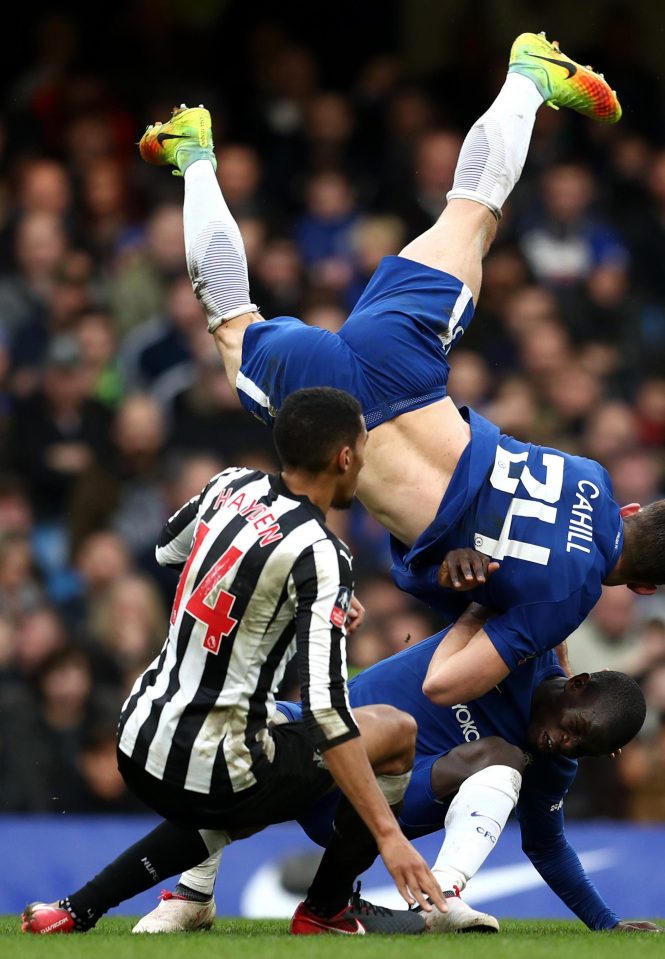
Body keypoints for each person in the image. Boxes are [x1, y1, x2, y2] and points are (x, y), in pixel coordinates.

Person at [134, 32, 665, 707]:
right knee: (229, 318)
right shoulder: (566, 597)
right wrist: (492, 619)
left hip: (407, 367)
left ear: (632, 506)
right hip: (344, 424)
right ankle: (193, 154)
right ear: (643, 589)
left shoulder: (591, 476)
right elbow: (443, 684)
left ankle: (527, 82)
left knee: (471, 214)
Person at [22, 387, 441, 937]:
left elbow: (168, 551)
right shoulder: (322, 554)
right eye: (362, 447)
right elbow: (326, 712)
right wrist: (390, 836)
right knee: (394, 730)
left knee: (246, 779)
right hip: (213, 768)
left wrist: (298, 600)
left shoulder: (230, 484)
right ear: (345, 457)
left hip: (140, 737)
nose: (363, 459)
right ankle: (326, 911)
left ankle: (77, 909)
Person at [25, 597, 660, 935]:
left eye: (580, 748)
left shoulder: (546, 762)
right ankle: (183, 896)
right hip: (318, 745)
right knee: (238, 732)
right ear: (573, 685)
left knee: (501, 760)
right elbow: (458, 578)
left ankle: (444, 900)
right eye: (570, 729)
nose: (560, 745)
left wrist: (605, 926)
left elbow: (547, 847)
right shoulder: (511, 646)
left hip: (368, 806)